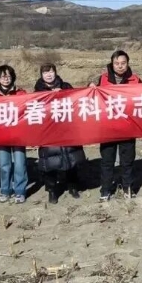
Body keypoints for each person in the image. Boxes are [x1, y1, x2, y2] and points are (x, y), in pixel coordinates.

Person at [89, 50, 142, 201]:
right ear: (112, 64)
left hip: (128, 128)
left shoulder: (135, 80)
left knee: (127, 161)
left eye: (123, 63)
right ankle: (105, 190)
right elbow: (89, 96)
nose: (120, 66)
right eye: (117, 63)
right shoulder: (102, 79)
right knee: (107, 161)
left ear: (128, 64)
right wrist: (90, 87)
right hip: (107, 128)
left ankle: (128, 188)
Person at [34, 63, 86, 204]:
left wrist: (62, 94)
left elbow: (76, 101)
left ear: (56, 73)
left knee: (71, 159)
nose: (49, 75)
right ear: (41, 75)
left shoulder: (66, 86)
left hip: (67, 129)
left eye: (51, 72)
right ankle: (52, 190)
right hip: (49, 131)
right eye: (45, 72)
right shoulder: (38, 90)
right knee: (50, 162)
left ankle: (73, 187)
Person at [0, 64, 28, 204]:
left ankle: (20, 191)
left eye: (8, 76)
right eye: (2, 76)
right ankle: (5, 190)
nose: (6, 79)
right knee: (4, 164)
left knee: (20, 163)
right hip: (1, 135)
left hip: (18, 135)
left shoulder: (21, 93)